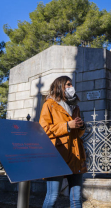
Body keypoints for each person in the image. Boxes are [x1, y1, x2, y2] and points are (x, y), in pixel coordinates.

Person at [39, 76, 87, 208]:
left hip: (75, 154)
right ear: (60, 86)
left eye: (71, 84)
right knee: (52, 196)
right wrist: (67, 126)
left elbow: (76, 133)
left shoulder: (75, 107)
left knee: (76, 198)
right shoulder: (49, 104)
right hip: (57, 155)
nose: (71, 87)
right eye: (68, 84)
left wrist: (80, 127)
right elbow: (43, 129)